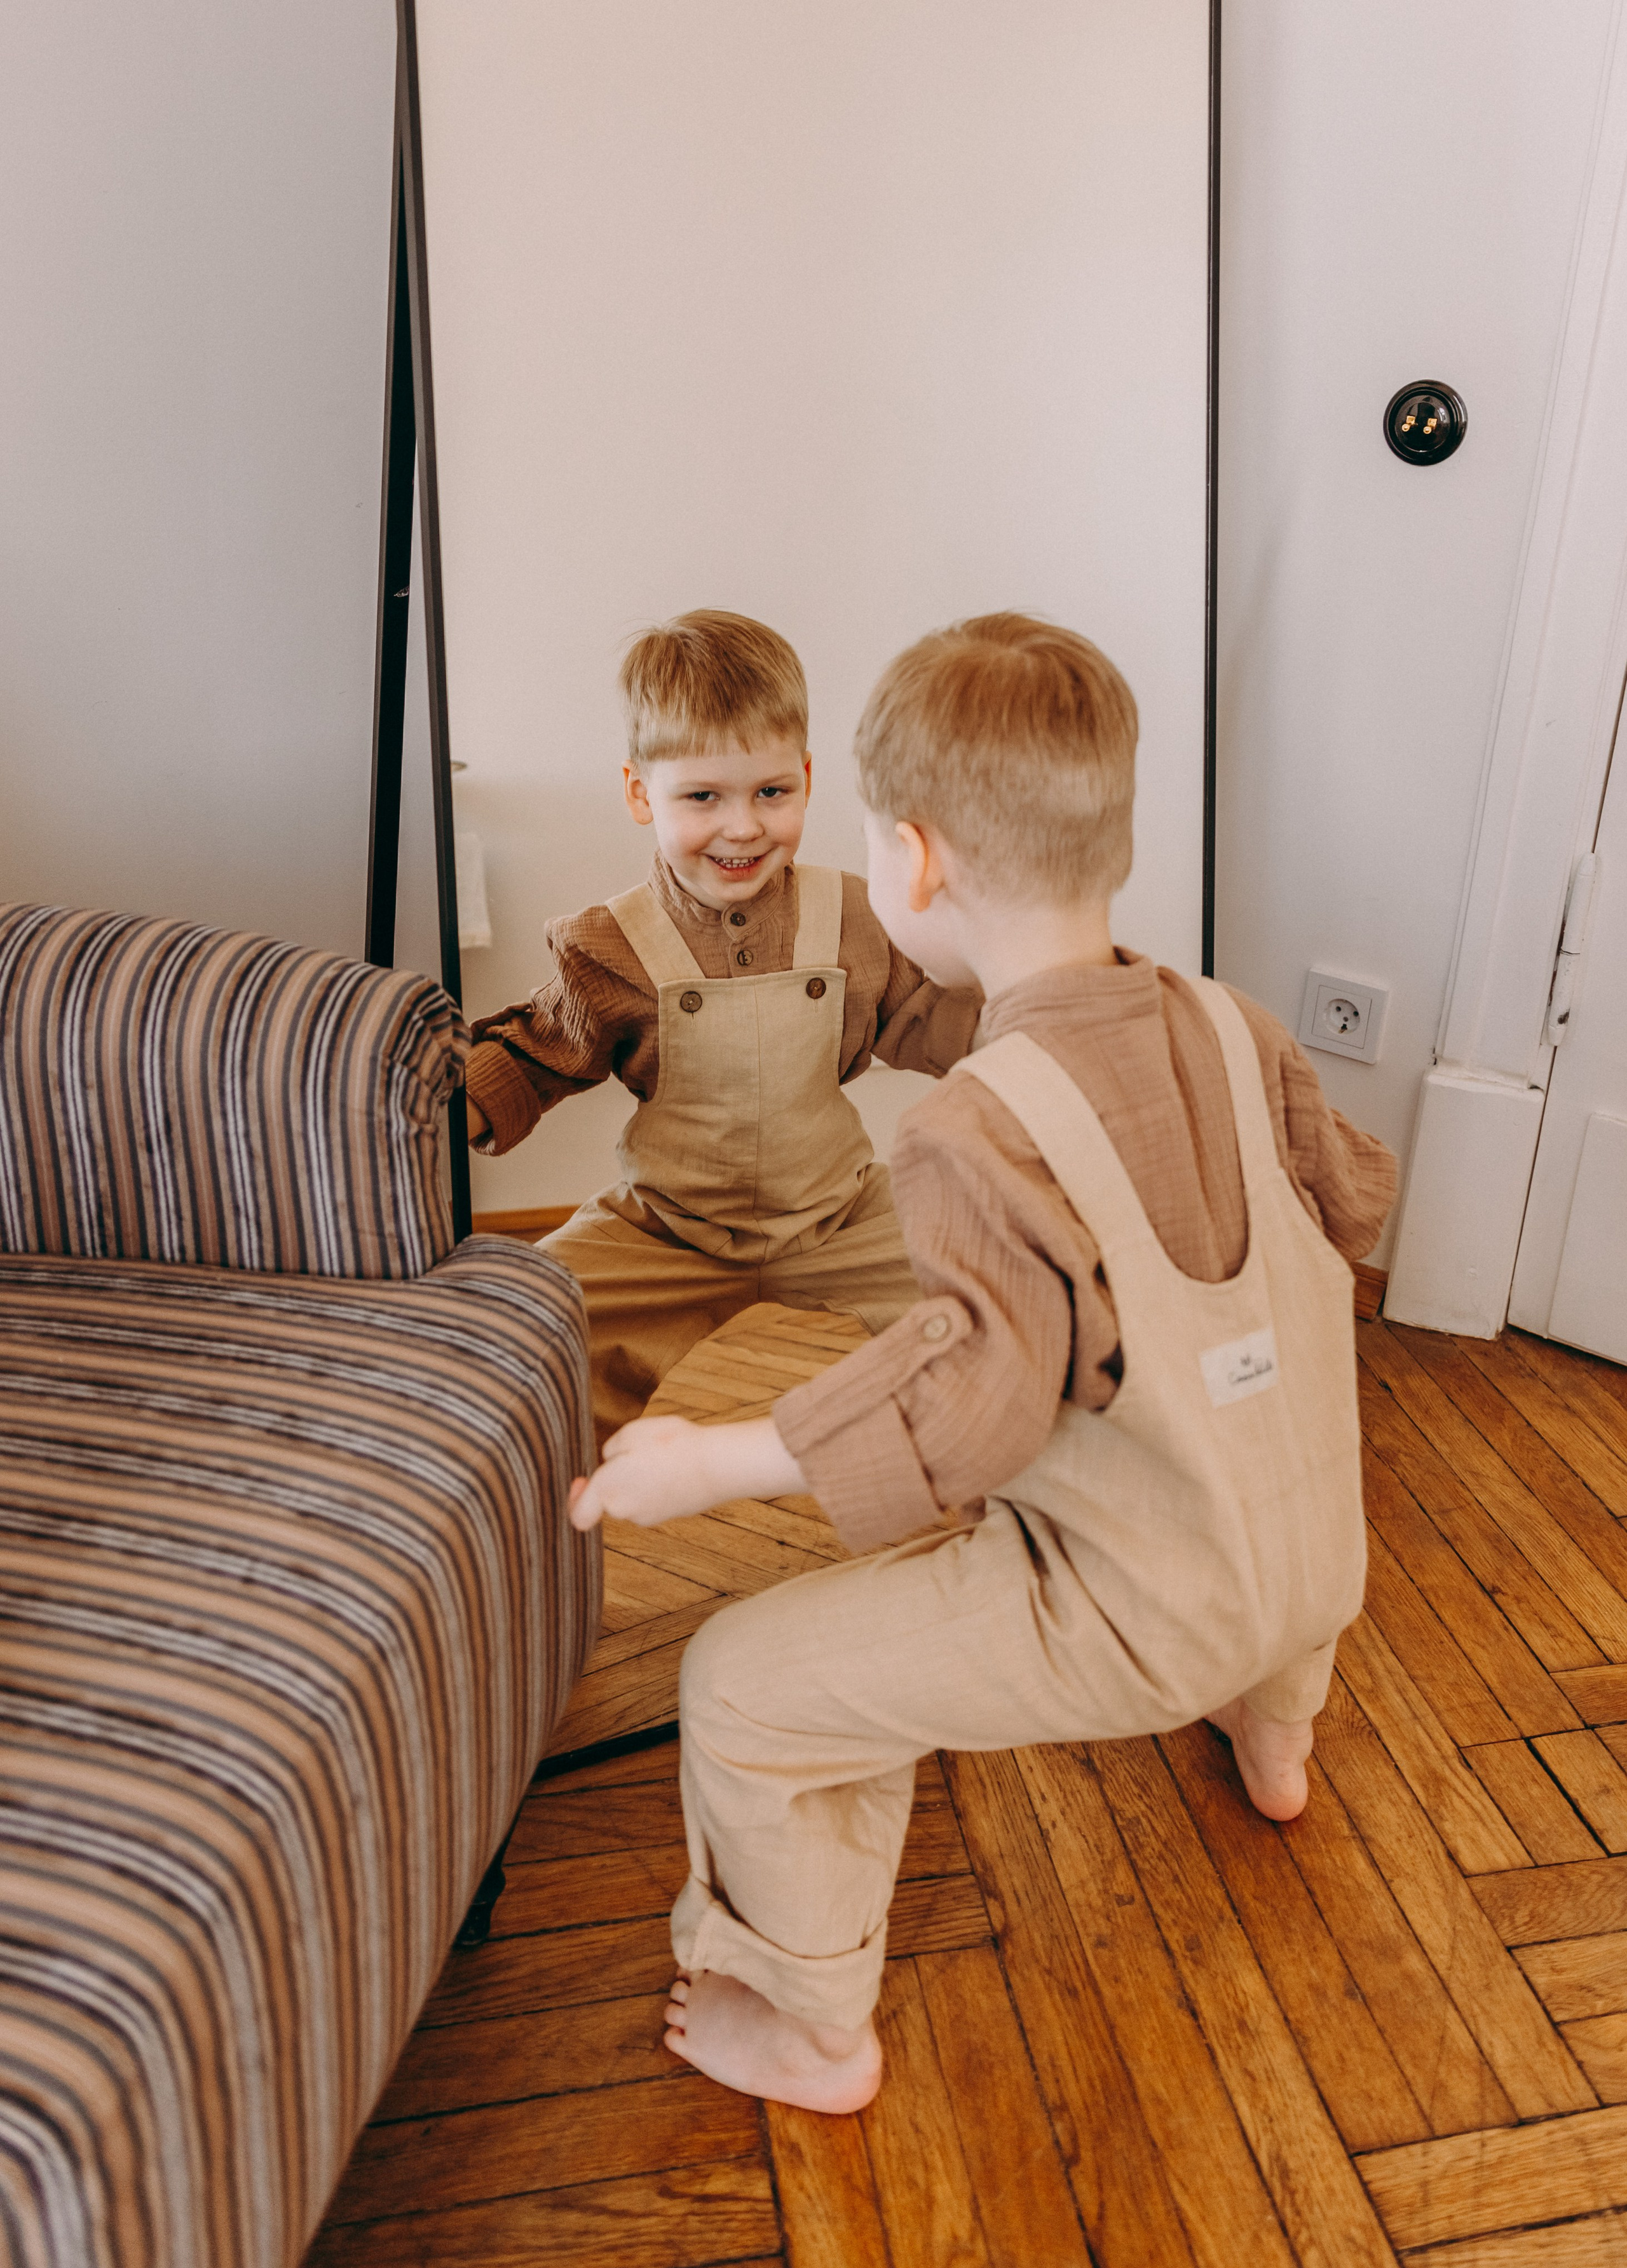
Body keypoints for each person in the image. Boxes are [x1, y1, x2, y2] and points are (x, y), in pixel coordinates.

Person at [568, 613, 1397, 2115]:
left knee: (744, 1684)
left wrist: (717, 1459)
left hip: (1140, 1608)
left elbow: (971, 1400)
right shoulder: (1231, 1022)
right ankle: (1276, 1741)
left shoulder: (971, 1126)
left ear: (913, 859)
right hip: (1312, 1557)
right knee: (1256, 1519)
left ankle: (811, 2028)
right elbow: (1358, 1202)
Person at [464, 609, 981, 1446]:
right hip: (666, 1231)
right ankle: (545, 1501)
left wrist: (1041, 1036)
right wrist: (446, 1107)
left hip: (840, 1219)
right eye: (703, 796)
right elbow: (536, 1054)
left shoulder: (851, 915)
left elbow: (931, 1014)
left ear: (807, 778)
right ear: (640, 793)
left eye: (771, 793)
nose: (743, 827)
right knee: (524, 1333)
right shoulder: (611, 944)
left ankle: (993, 1478)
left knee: (995, 1280)